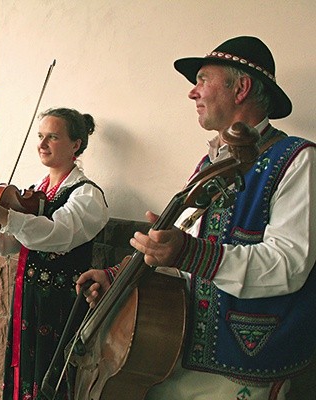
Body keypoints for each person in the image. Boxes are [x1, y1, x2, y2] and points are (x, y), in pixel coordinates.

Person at [78, 36, 316, 399]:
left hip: (244, 366)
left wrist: (190, 253)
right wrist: (119, 275)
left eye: (203, 79)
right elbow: (183, 249)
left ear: (242, 88)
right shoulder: (210, 164)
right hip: (175, 354)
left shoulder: (297, 159)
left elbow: (288, 263)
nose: (193, 92)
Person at [0, 107, 109, 399]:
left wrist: (5, 217)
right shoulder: (37, 190)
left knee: (53, 380)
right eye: (40, 136)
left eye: (52, 137)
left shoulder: (87, 195)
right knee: (24, 373)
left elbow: (58, 235)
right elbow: (17, 244)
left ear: (75, 144)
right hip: (29, 296)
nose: (42, 144)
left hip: (62, 304)